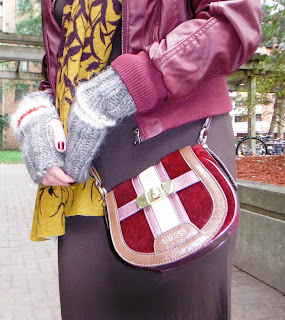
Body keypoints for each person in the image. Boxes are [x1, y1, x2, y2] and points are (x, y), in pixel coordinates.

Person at [11, 0, 261, 318]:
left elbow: (235, 22)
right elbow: (58, 68)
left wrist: (132, 82)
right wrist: (39, 112)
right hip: (83, 176)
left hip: (175, 153)